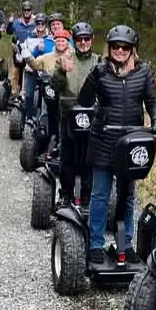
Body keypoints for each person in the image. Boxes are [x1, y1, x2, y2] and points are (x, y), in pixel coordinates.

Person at [76, 25, 156, 265]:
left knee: (127, 196)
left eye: (125, 47)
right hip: (104, 138)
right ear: (109, 48)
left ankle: (124, 242)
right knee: (101, 194)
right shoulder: (101, 71)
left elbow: (152, 100)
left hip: (132, 143)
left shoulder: (143, 71)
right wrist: (93, 78)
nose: (120, 50)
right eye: (116, 46)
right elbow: (83, 101)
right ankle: (95, 244)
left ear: (132, 49)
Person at [51, 22, 100, 207]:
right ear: (75, 40)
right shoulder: (64, 58)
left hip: (91, 116)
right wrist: (62, 70)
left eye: (87, 39)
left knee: (89, 158)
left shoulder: (98, 61)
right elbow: (54, 87)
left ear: (92, 40)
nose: (83, 42)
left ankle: (87, 196)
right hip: (68, 113)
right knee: (67, 156)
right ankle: (65, 194)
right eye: (80, 39)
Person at [26, 28, 74, 154]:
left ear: (68, 42)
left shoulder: (73, 57)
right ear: (54, 42)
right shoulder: (47, 57)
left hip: (68, 95)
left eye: (63, 41)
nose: (61, 43)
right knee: (48, 116)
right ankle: (48, 141)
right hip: (49, 93)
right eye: (58, 41)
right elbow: (35, 65)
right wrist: (28, 57)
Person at [19, 14, 55, 124]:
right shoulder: (30, 36)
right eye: (38, 23)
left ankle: (46, 118)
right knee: (29, 93)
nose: (40, 25)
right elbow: (27, 53)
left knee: (48, 95)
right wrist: (36, 50)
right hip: (32, 68)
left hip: (45, 70)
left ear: (46, 24)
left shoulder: (50, 38)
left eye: (42, 23)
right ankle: (28, 117)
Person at [7, 1, 36, 95]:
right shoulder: (17, 22)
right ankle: (14, 92)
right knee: (16, 71)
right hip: (18, 50)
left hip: (30, 51)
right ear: (22, 11)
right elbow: (9, 32)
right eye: (25, 10)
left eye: (28, 10)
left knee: (26, 71)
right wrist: (10, 24)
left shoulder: (36, 22)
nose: (27, 12)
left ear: (31, 11)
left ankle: (24, 93)